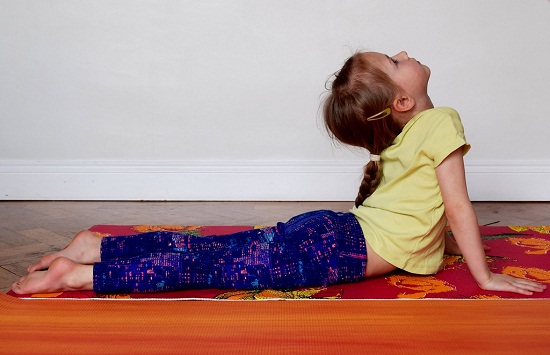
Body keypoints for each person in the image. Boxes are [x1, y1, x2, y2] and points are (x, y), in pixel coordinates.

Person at [12, 51, 546, 296]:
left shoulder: (406, 137)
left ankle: (96, 247)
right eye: (395, 60)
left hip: (334, 233)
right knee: (213, 269)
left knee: (217, 252)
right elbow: (454, 205)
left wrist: (448, 251)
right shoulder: (439, 121)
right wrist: (484, 274)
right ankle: (81, 274)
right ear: (405, 97)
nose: (405, 54)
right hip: (340, 248)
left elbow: (426, 213)